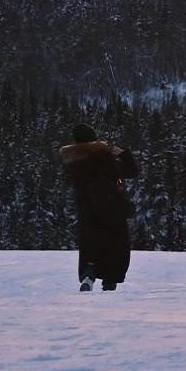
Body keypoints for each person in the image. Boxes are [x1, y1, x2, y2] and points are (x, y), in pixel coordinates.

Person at [57, 124, 138, 291]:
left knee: (91, 247)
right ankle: (110, 281)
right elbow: (131, 171)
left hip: (86, 211)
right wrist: (121, 152)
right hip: (110, 208)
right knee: (116, 245)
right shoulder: (103, 156)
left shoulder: (72, 161)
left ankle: (88, 275)